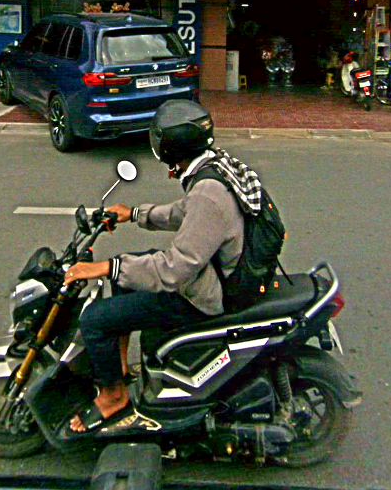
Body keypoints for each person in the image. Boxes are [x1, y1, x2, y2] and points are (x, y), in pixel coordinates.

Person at [62, 98, 259, 435]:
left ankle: (114, 397)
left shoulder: (208, 193)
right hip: (211, 270)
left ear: (170, 147)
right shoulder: (212, 169)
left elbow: (173, 270)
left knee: (94, 319)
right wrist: (135, 214)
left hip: (205, 297)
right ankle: (120, 370)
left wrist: (107, 267)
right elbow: (184, 213)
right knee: (126, 278)